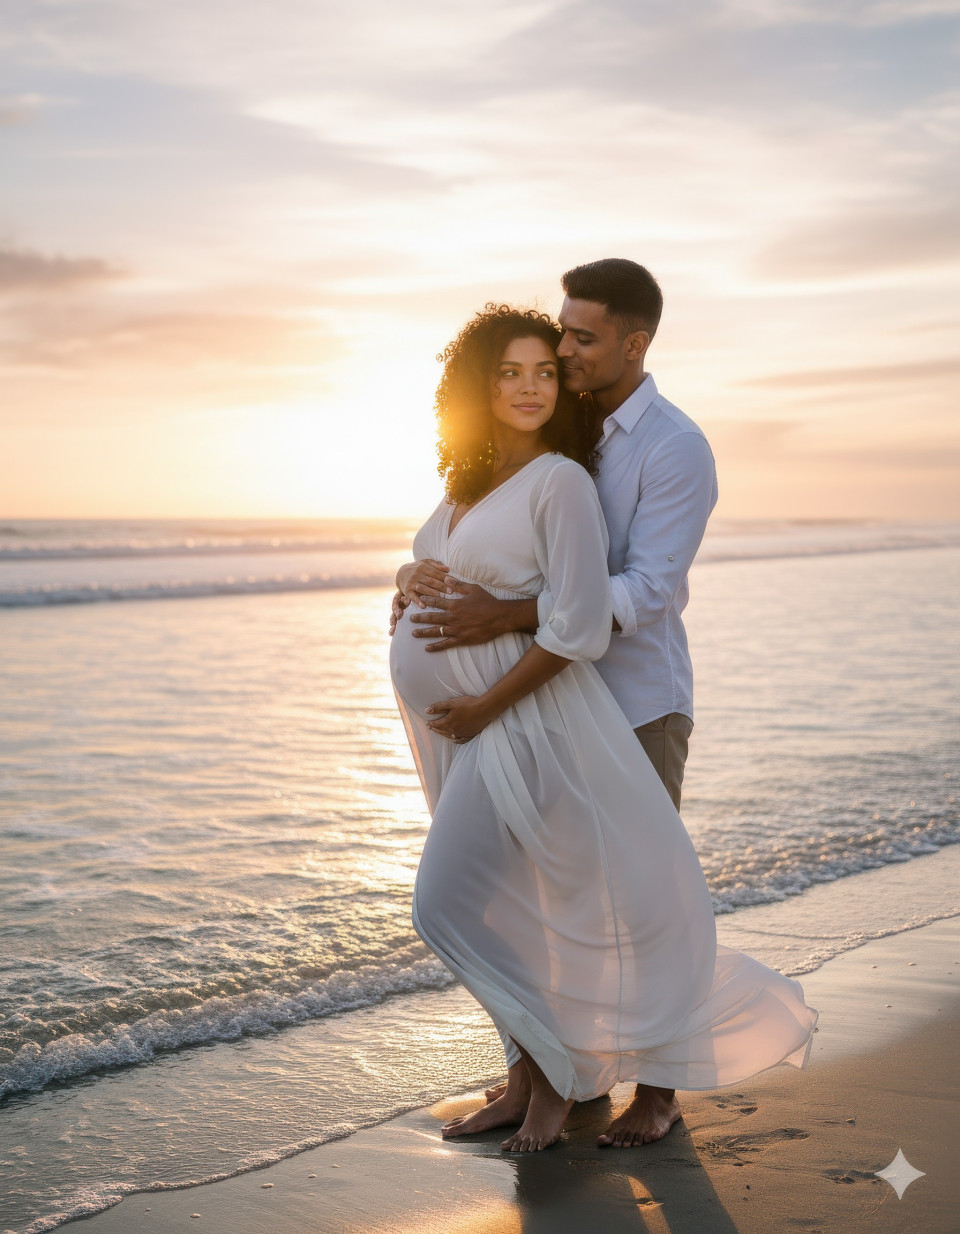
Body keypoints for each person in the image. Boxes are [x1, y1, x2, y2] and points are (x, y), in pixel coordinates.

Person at [390, 303, 817, 1155]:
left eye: (549, 365)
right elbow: (446, 565)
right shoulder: (467, 484)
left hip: (554, 718)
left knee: (562, 902)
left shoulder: (600, 465)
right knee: (522, 908)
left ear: (632, 338)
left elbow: (602, 610)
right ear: (476, 386)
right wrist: (407, 575)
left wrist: (483, 691)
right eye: (515, 370)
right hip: (478, 731)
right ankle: (540, 1076)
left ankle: (604, 1084)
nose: (540, 379)